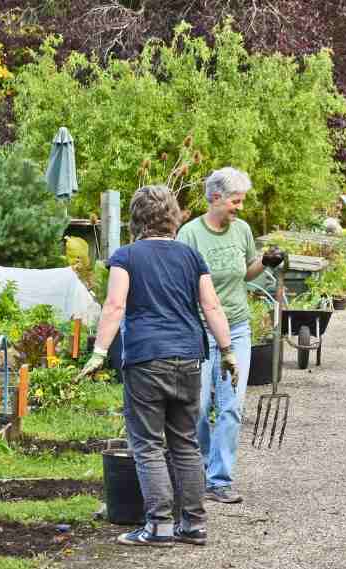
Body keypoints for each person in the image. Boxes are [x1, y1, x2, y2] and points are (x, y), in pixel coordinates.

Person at [77, 185, 238, 548]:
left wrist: (99, 352)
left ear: (136, 219)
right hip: (188, 358)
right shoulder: (190, 257)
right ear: (174, 217)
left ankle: (159, 525)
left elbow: (115, 305)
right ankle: (194, 524)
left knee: (148, 444)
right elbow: (211, 307)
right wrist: (227, 351)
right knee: (185, 443)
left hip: (147, 359)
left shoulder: (127, 256)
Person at [176, 167, 285, 504]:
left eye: (242, 201)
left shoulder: (242, 231)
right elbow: (181, 283)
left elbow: (246, 271)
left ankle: (220, 480)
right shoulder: (190, 235)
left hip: (236, 327)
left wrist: (266, 262)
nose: (240, 207)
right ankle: (204, 466)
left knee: (231, 406)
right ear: (215, 198)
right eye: (235, 201)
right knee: (199, 406)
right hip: (200, 330)